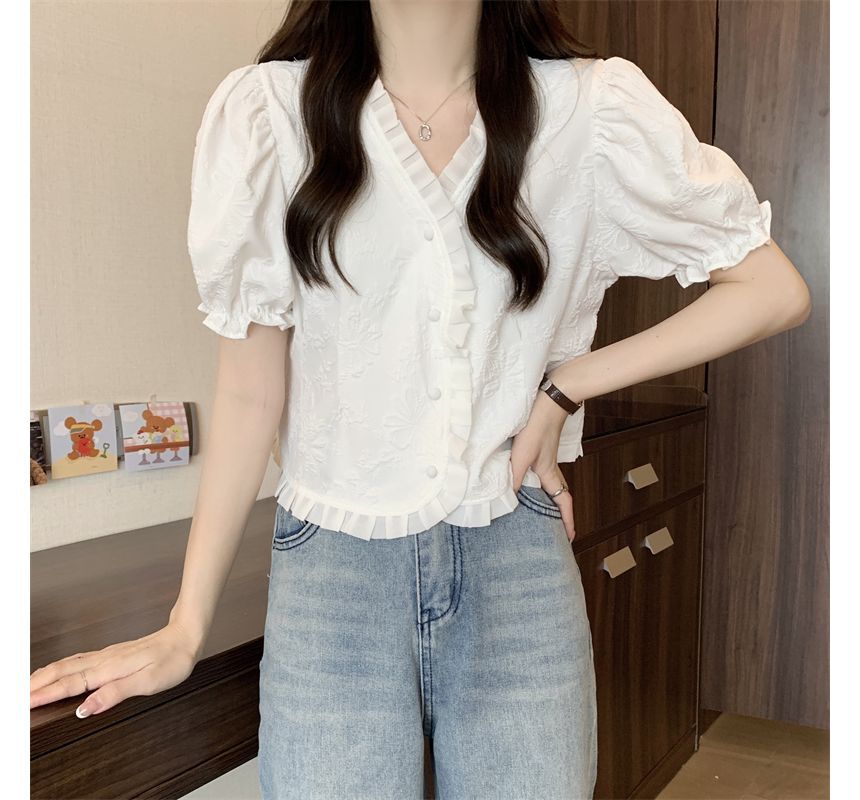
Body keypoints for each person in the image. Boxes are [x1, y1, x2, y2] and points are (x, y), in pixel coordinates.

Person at [30, 1, 811, 798]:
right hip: (332, 573)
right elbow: (248, 390)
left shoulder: (592, 112)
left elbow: (772, 290)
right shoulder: (269, 115)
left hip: (514, 554)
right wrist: (185, 625)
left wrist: (566, 385)